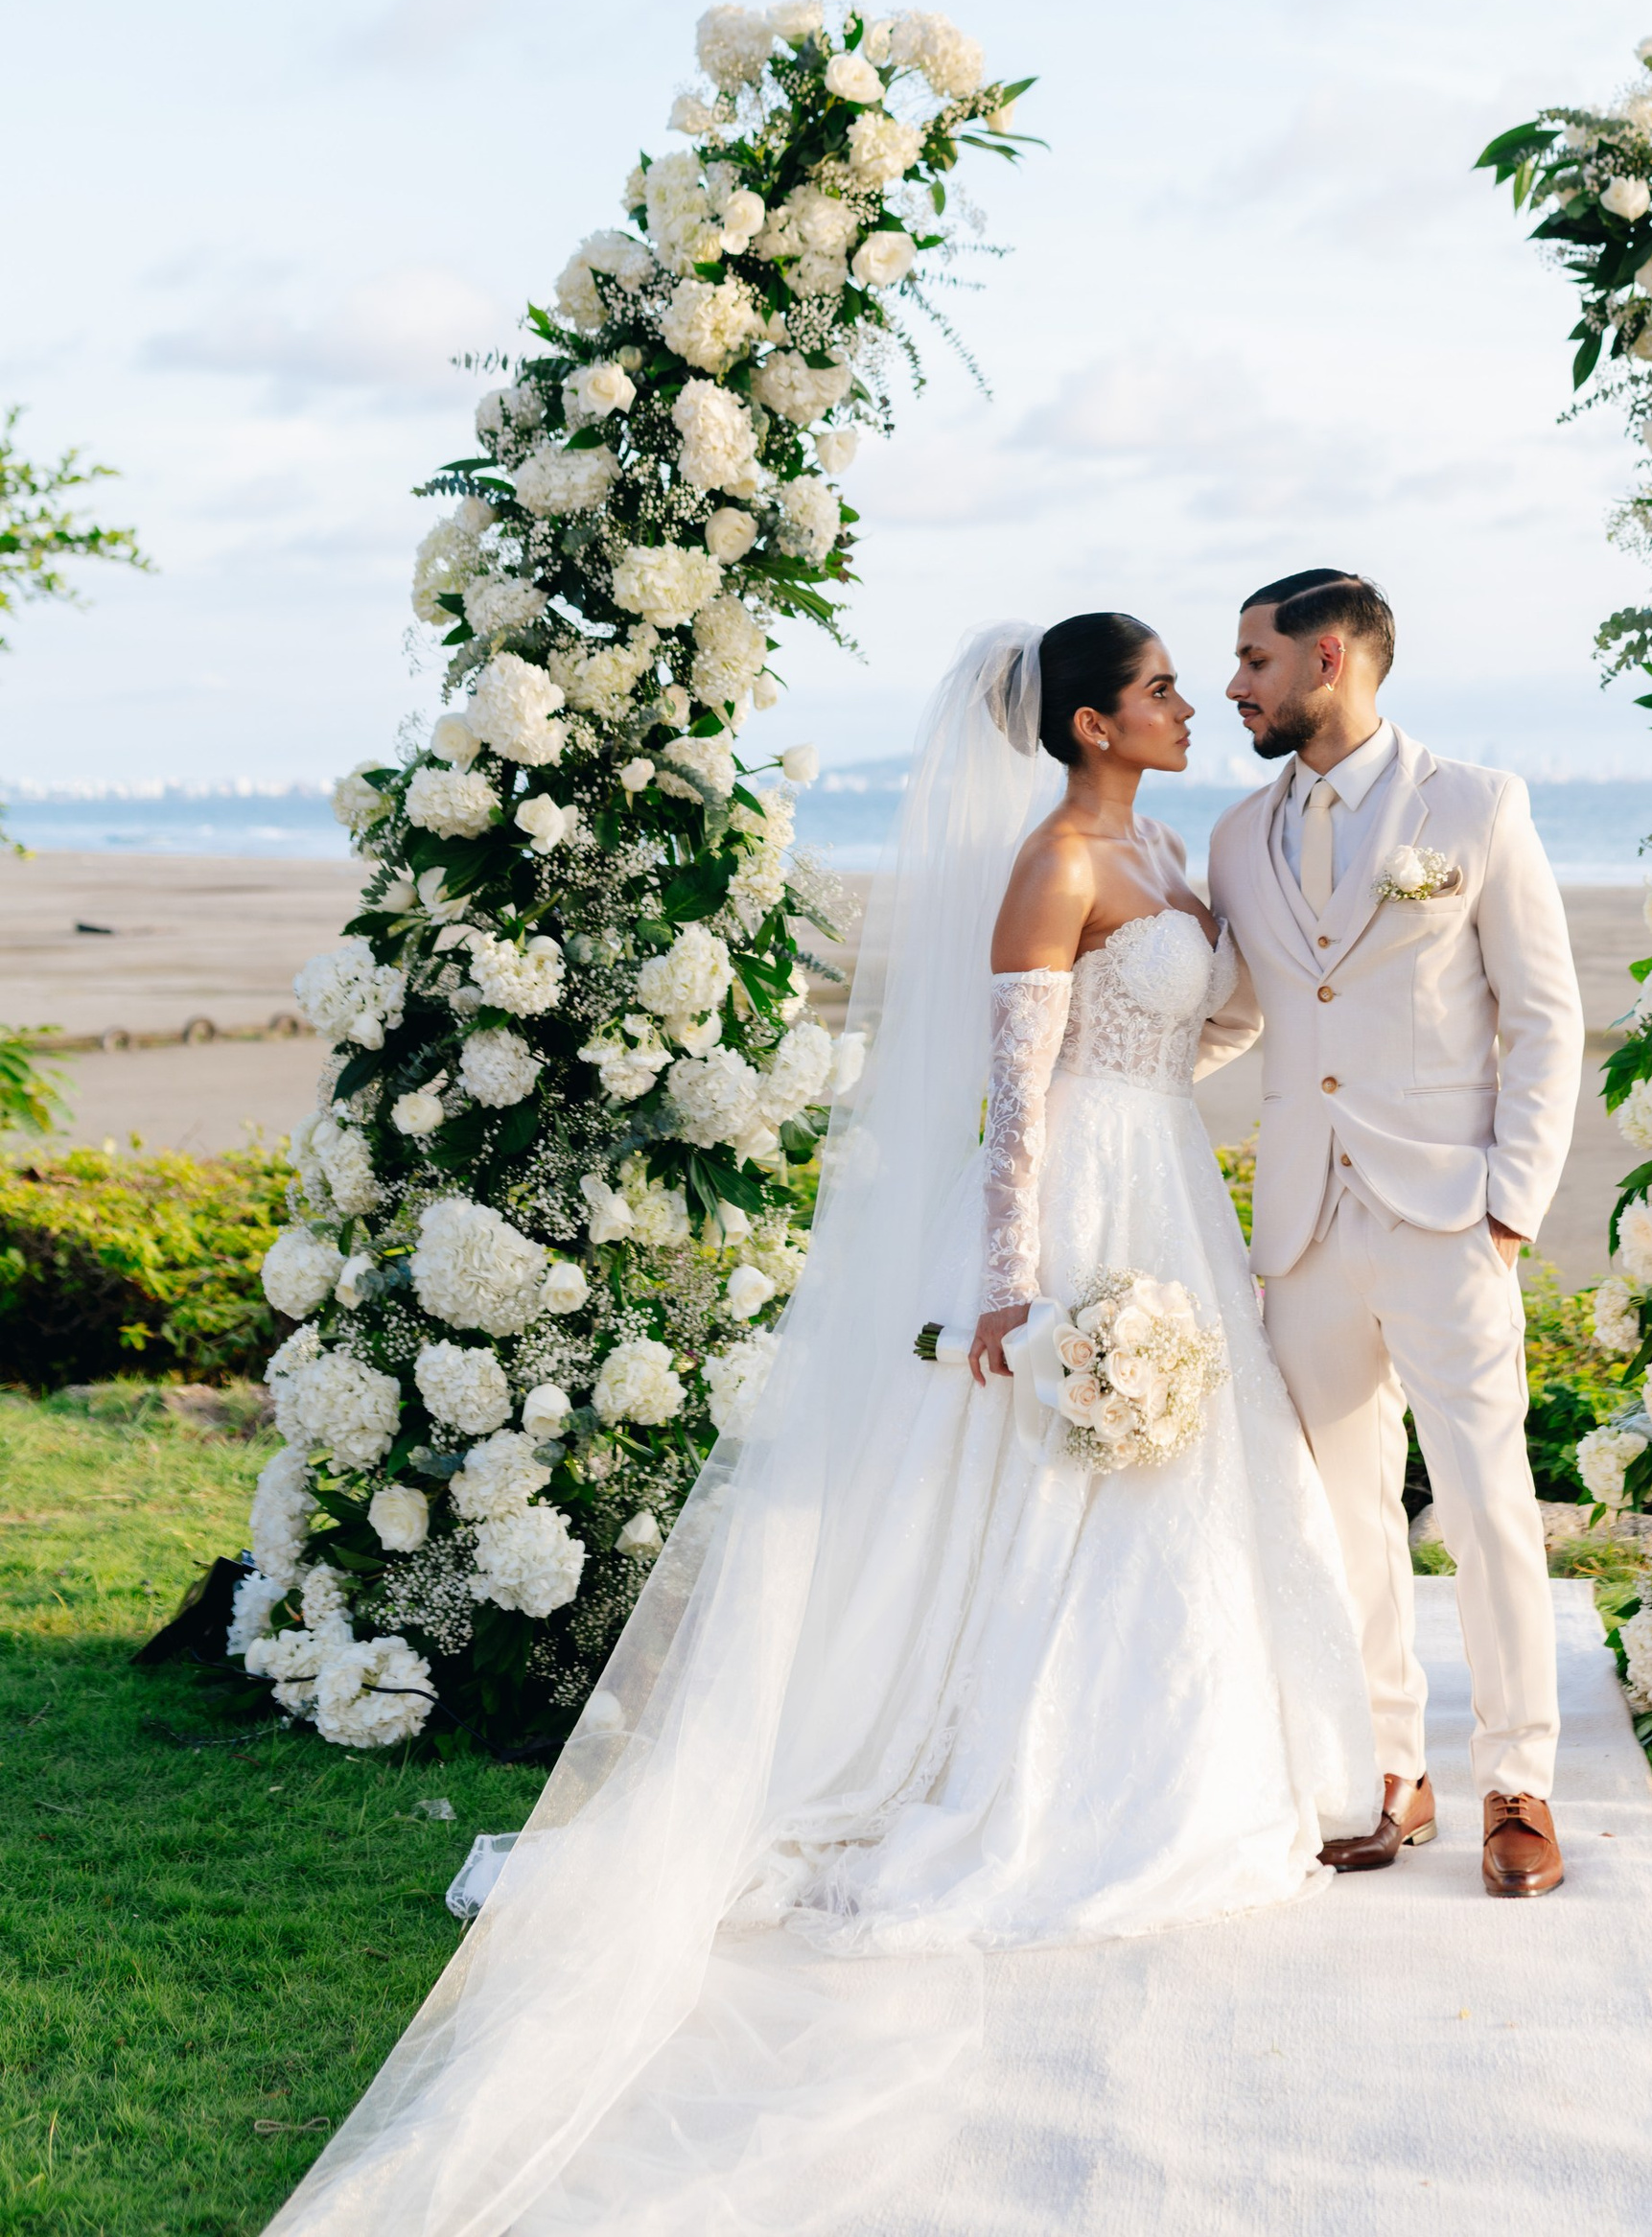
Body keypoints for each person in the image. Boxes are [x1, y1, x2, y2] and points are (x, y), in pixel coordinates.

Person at [269, 619, 1377, 2237]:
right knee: (1036, 1479)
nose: (1192, 701)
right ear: (1088, 723)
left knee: (1180, 1485)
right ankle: (1000, 1759)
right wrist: (1013, 1291)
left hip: (1170, 1189)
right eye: (1157, 688)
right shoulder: (1055, 863)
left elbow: (1191, 1032)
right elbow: (1018, 1099)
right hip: (1075, 1210)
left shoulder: (1152, 841)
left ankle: (1181, 1730)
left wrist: (1223, 1013)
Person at [1205, 569, 1585, 1900]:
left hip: (1446, 1219)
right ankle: (1389, 1772)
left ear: (1328, 660)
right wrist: (1112, 1064)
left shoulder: (1475, 807)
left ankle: (1520, 1782)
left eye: (1251, 660)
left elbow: (1545, 1017)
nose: (1232, 686)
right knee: (1342, 1519)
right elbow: (1256, 1013)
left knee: (1488, 1509)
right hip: (1303, 1224)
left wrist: (1508, 1209)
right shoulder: (1238, 839)